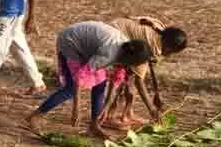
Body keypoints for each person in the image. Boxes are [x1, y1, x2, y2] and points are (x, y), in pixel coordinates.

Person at [24, 21, 152, 138]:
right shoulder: (109, 54)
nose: (132, 67)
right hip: (71, 42)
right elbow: (78, 78)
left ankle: (94, 125)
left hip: (87, 44)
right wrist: (76, 109)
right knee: (70, 88)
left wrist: (107, 106)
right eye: (133, 63)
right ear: (129, 58)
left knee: (100, 84)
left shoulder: (125, 50)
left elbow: (115, 79)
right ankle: (34, 117)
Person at [102, 17, 188, 128]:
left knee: (130, 76)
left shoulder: (160, 29)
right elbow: (139, 81)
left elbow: (142, 19)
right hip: (115, 36)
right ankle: (108, 116)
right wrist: (152, 109)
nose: (170, 54)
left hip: (120, 26)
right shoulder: (150, 47)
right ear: (168, 47)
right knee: (120, 76)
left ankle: (127, 113)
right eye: (171, 52)